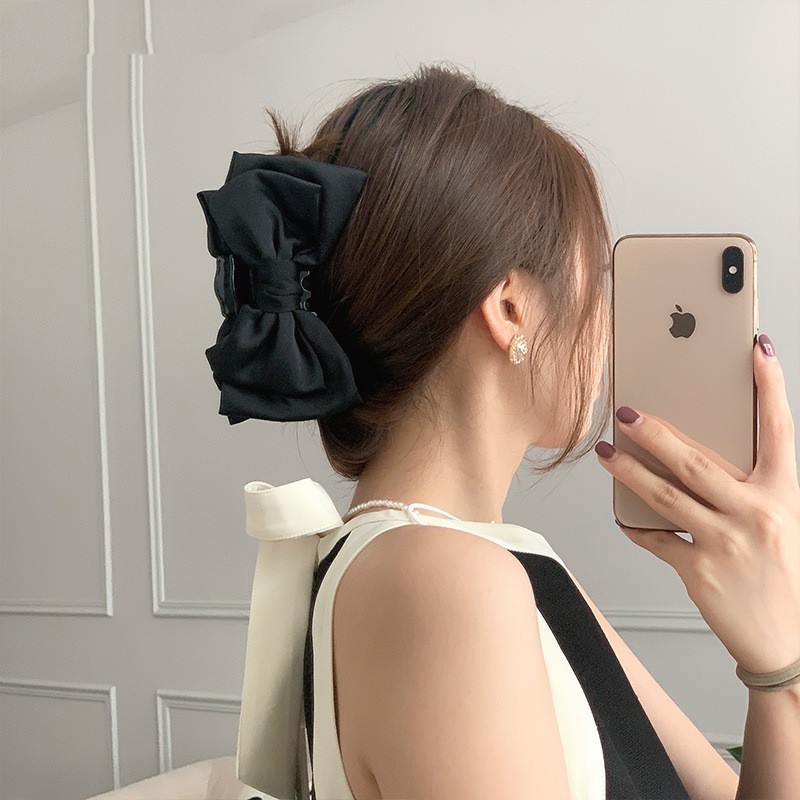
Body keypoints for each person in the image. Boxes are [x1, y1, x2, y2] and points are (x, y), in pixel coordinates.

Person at [96, 61, 800, 800]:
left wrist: (774, 660)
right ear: (511, 308)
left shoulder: (504, 561)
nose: (607, 322)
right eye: (597, 281)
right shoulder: (446, 584)